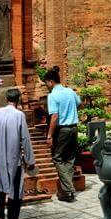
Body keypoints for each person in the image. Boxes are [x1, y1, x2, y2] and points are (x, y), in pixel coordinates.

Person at [0, 88, 36, 219]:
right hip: (14, 159)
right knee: (15, 189)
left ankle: (0, 216)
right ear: (18, 99)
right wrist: (30, 160)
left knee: (0, 187)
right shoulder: (19, 115)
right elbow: (25, 139)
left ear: (7, 99)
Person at [44, 66, 81, 202]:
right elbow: (79, 103)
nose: (46, 86)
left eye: (46, 83)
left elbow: (54, 116)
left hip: (63, 130)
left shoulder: (52, 95)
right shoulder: (70, 91)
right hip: (74, 128)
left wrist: (49, 136)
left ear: (51, 81)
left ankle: (69, 189)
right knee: (70, 158)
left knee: (58, 158)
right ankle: (67, 192)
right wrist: (70, 112)